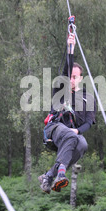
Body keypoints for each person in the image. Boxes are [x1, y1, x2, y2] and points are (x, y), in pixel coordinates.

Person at [38, 31, 96, 194]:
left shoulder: (87, 98)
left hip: (70, 133)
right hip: (54, 128)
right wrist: (70, 48)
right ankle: (60, 174)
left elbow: (88, 122)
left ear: (81, 78)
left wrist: (77, 130)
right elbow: (65, 71)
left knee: (82, 143)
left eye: (75, 77)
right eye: (70, 76)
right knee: (72, 136)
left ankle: (49, 176)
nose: (71, 79)